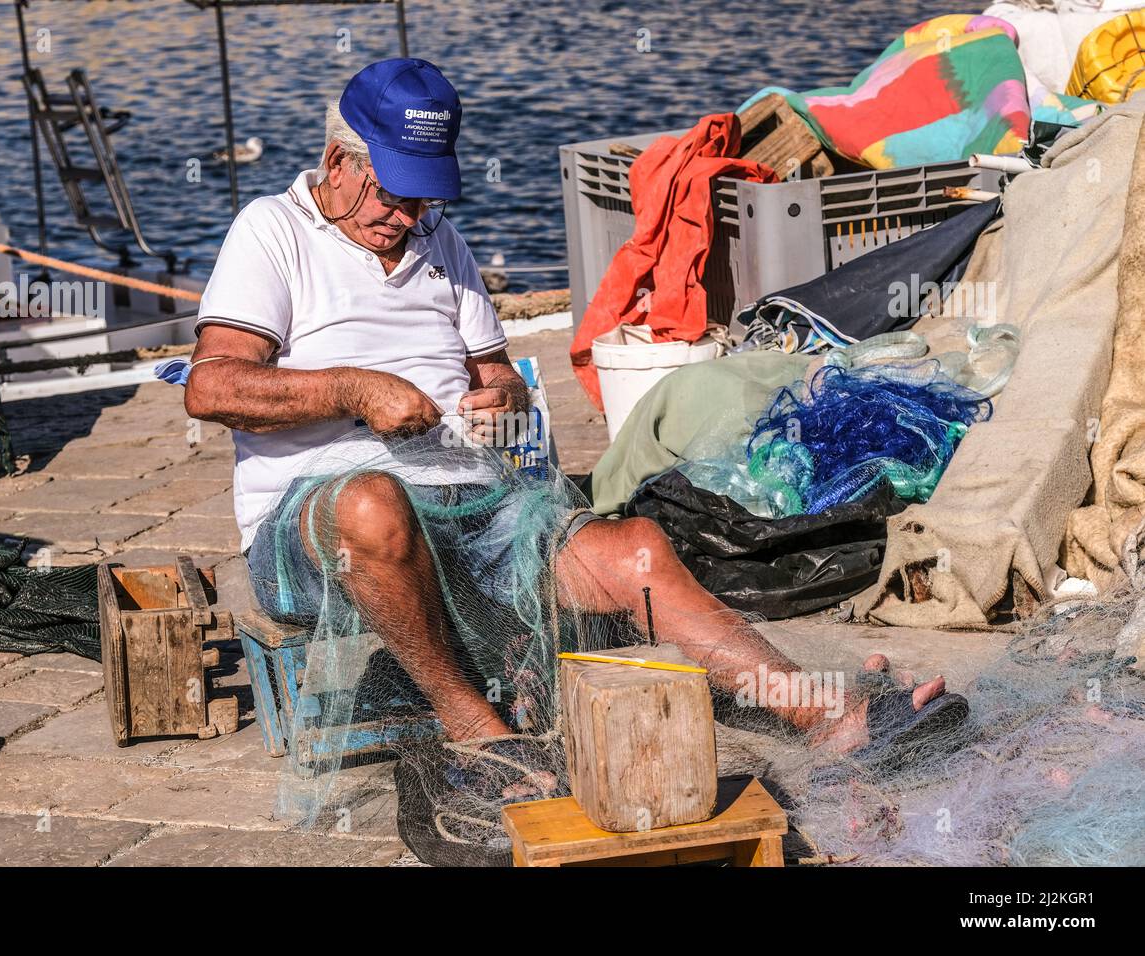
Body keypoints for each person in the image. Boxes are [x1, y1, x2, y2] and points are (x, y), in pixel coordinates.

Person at [184, 58, 964, 772]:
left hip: (467, 509)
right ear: (336, 165)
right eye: (393, 192)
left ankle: (827, 715)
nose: (408, 214)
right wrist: (355, 390)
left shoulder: (439, 241)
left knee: (637, 550)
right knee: (372, 504)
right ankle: (479, 731)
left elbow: (499, 379)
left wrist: (502, 400)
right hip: (319, 525)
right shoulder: (273, 231)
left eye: (424, 195)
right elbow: (212, 388)